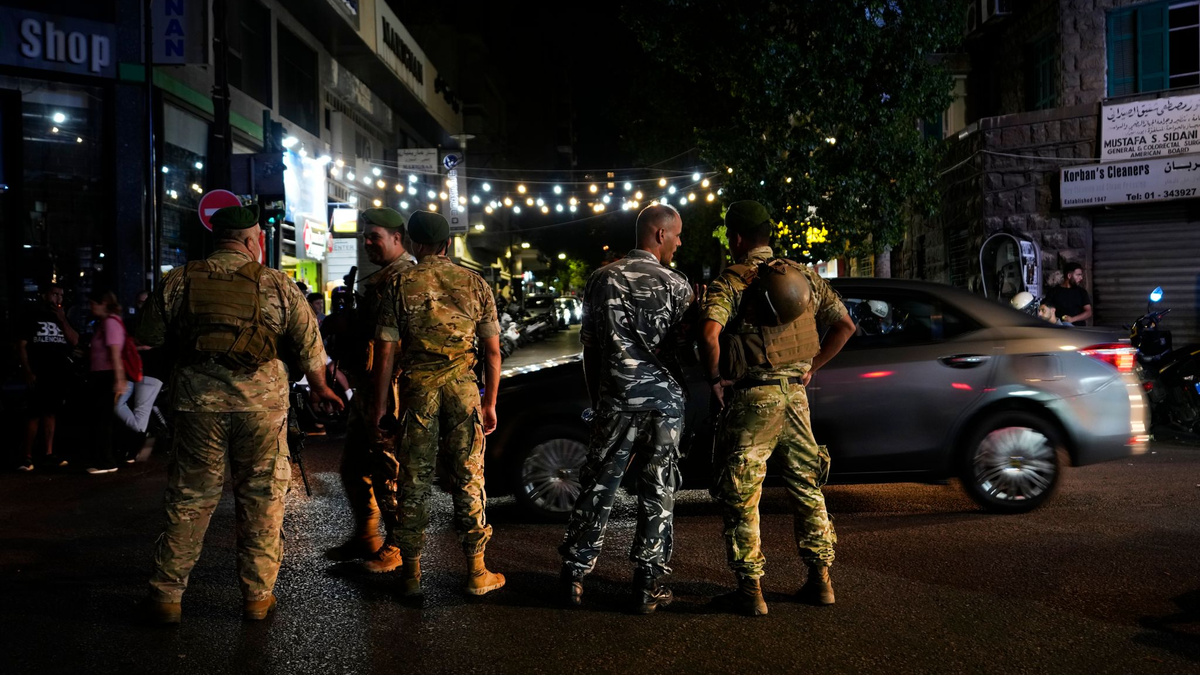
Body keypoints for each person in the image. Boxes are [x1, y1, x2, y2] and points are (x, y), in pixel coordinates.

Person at [136, 204, 342, 624]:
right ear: (253, 241)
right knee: (262, 500)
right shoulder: (278, 284)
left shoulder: (179, 280)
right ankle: (256, 598)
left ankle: (167, 598)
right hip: (262, 410)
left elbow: (148, 336)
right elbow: (310, 349)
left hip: (197, 407)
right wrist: (321, 390)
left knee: (190, 500)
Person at [699, 200, 857, 616]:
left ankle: (750, 590)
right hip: (797, 399)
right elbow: (845, 326)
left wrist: (715, 379)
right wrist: (812, 368)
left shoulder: (732, 281)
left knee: (742, 492)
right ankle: (821, 580)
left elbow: (710, 333)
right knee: (807, 485)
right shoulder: (804, 275)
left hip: (753, 400)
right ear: (768, 236)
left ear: (736, 238)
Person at [558, 204, 693, 614]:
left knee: (598, 486)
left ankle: (575, 579)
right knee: (658, 489)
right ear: (658, 234)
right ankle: (647, 585)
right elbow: (685, 351)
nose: (679, 242)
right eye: (676, 235)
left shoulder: (601, 279)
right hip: (664, 405)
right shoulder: (677, 285)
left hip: (616, 399)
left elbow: (590, 349)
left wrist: (598, 400)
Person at [369, 210, 504, 598]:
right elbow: (493, 353)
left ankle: (411, 575)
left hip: (417, 392)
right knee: (468, 477)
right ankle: (477, 572)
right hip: (463, 391)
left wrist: (383, 407)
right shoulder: (474, 283)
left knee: (414, 480)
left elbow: (386, 352)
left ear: (412, 243)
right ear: (447, 244)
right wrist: (489, 402)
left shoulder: (399, 284)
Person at [324, 208, 414, 566]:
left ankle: (397, 545)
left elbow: (398, 340)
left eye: (374, 236)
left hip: (387, 387)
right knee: (353, 466)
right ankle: (367, 534)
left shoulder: (404, 277)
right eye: (365, 236)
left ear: (397, 238)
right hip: (367, 383)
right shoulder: (380, 278)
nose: (367, 242)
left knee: (387, 467)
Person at [16, 283, 79, 470]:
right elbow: (21, 346)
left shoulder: (62, 317)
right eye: (54, 294)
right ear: (44, 295)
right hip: (38, 372)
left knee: (51, 412)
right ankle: (27, 456)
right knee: (34, 413)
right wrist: (27, 370)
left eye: (61, 295)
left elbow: (74, 340)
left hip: (57, 373)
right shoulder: (32, 316)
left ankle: (48, 453)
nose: (58, 298)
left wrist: (62, 320)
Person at [84, 289, 128, 475]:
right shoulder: (109, 322)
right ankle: (107, 459)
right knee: (104, 419)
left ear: (103, 303)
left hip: (105, 375)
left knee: (103, 420)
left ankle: (106, 461)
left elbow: (115, 353)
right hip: (105, 374)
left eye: (93, 303)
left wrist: (119, 379)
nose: (91, 307)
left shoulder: (110, 323)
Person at [1044, 262, 1092, 326]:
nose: (1081, 278)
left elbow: (1088, 312)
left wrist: (1072, 319)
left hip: (1078, 331)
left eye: (1081, 275)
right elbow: (1045, 310)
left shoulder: (1082, 292)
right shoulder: (1054, 292)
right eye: (1078, 275)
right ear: (1069, 276)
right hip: (1059, 330)